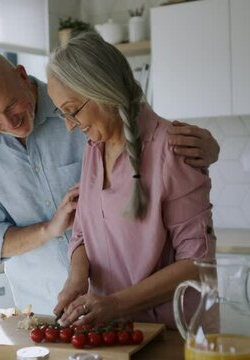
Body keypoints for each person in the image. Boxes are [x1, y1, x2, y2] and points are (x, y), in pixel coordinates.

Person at [0, 52, 219, 315]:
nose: (9, 122)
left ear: (23, 77)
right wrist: (50, 232)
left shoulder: (86, 114)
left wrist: (207, 151)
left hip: (142, 313)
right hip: (42, 306)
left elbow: (195, 256)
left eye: (12, 105)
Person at [47, 32, 214, 329]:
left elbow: (197, 263)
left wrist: (115, 304)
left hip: (170, 334)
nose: (70, 127)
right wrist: (76, 279)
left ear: (102, 91)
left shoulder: (171, 148)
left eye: (72, 111)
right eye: (62, 114)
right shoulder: (93, 149)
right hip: (109, 333)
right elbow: (83, 234)